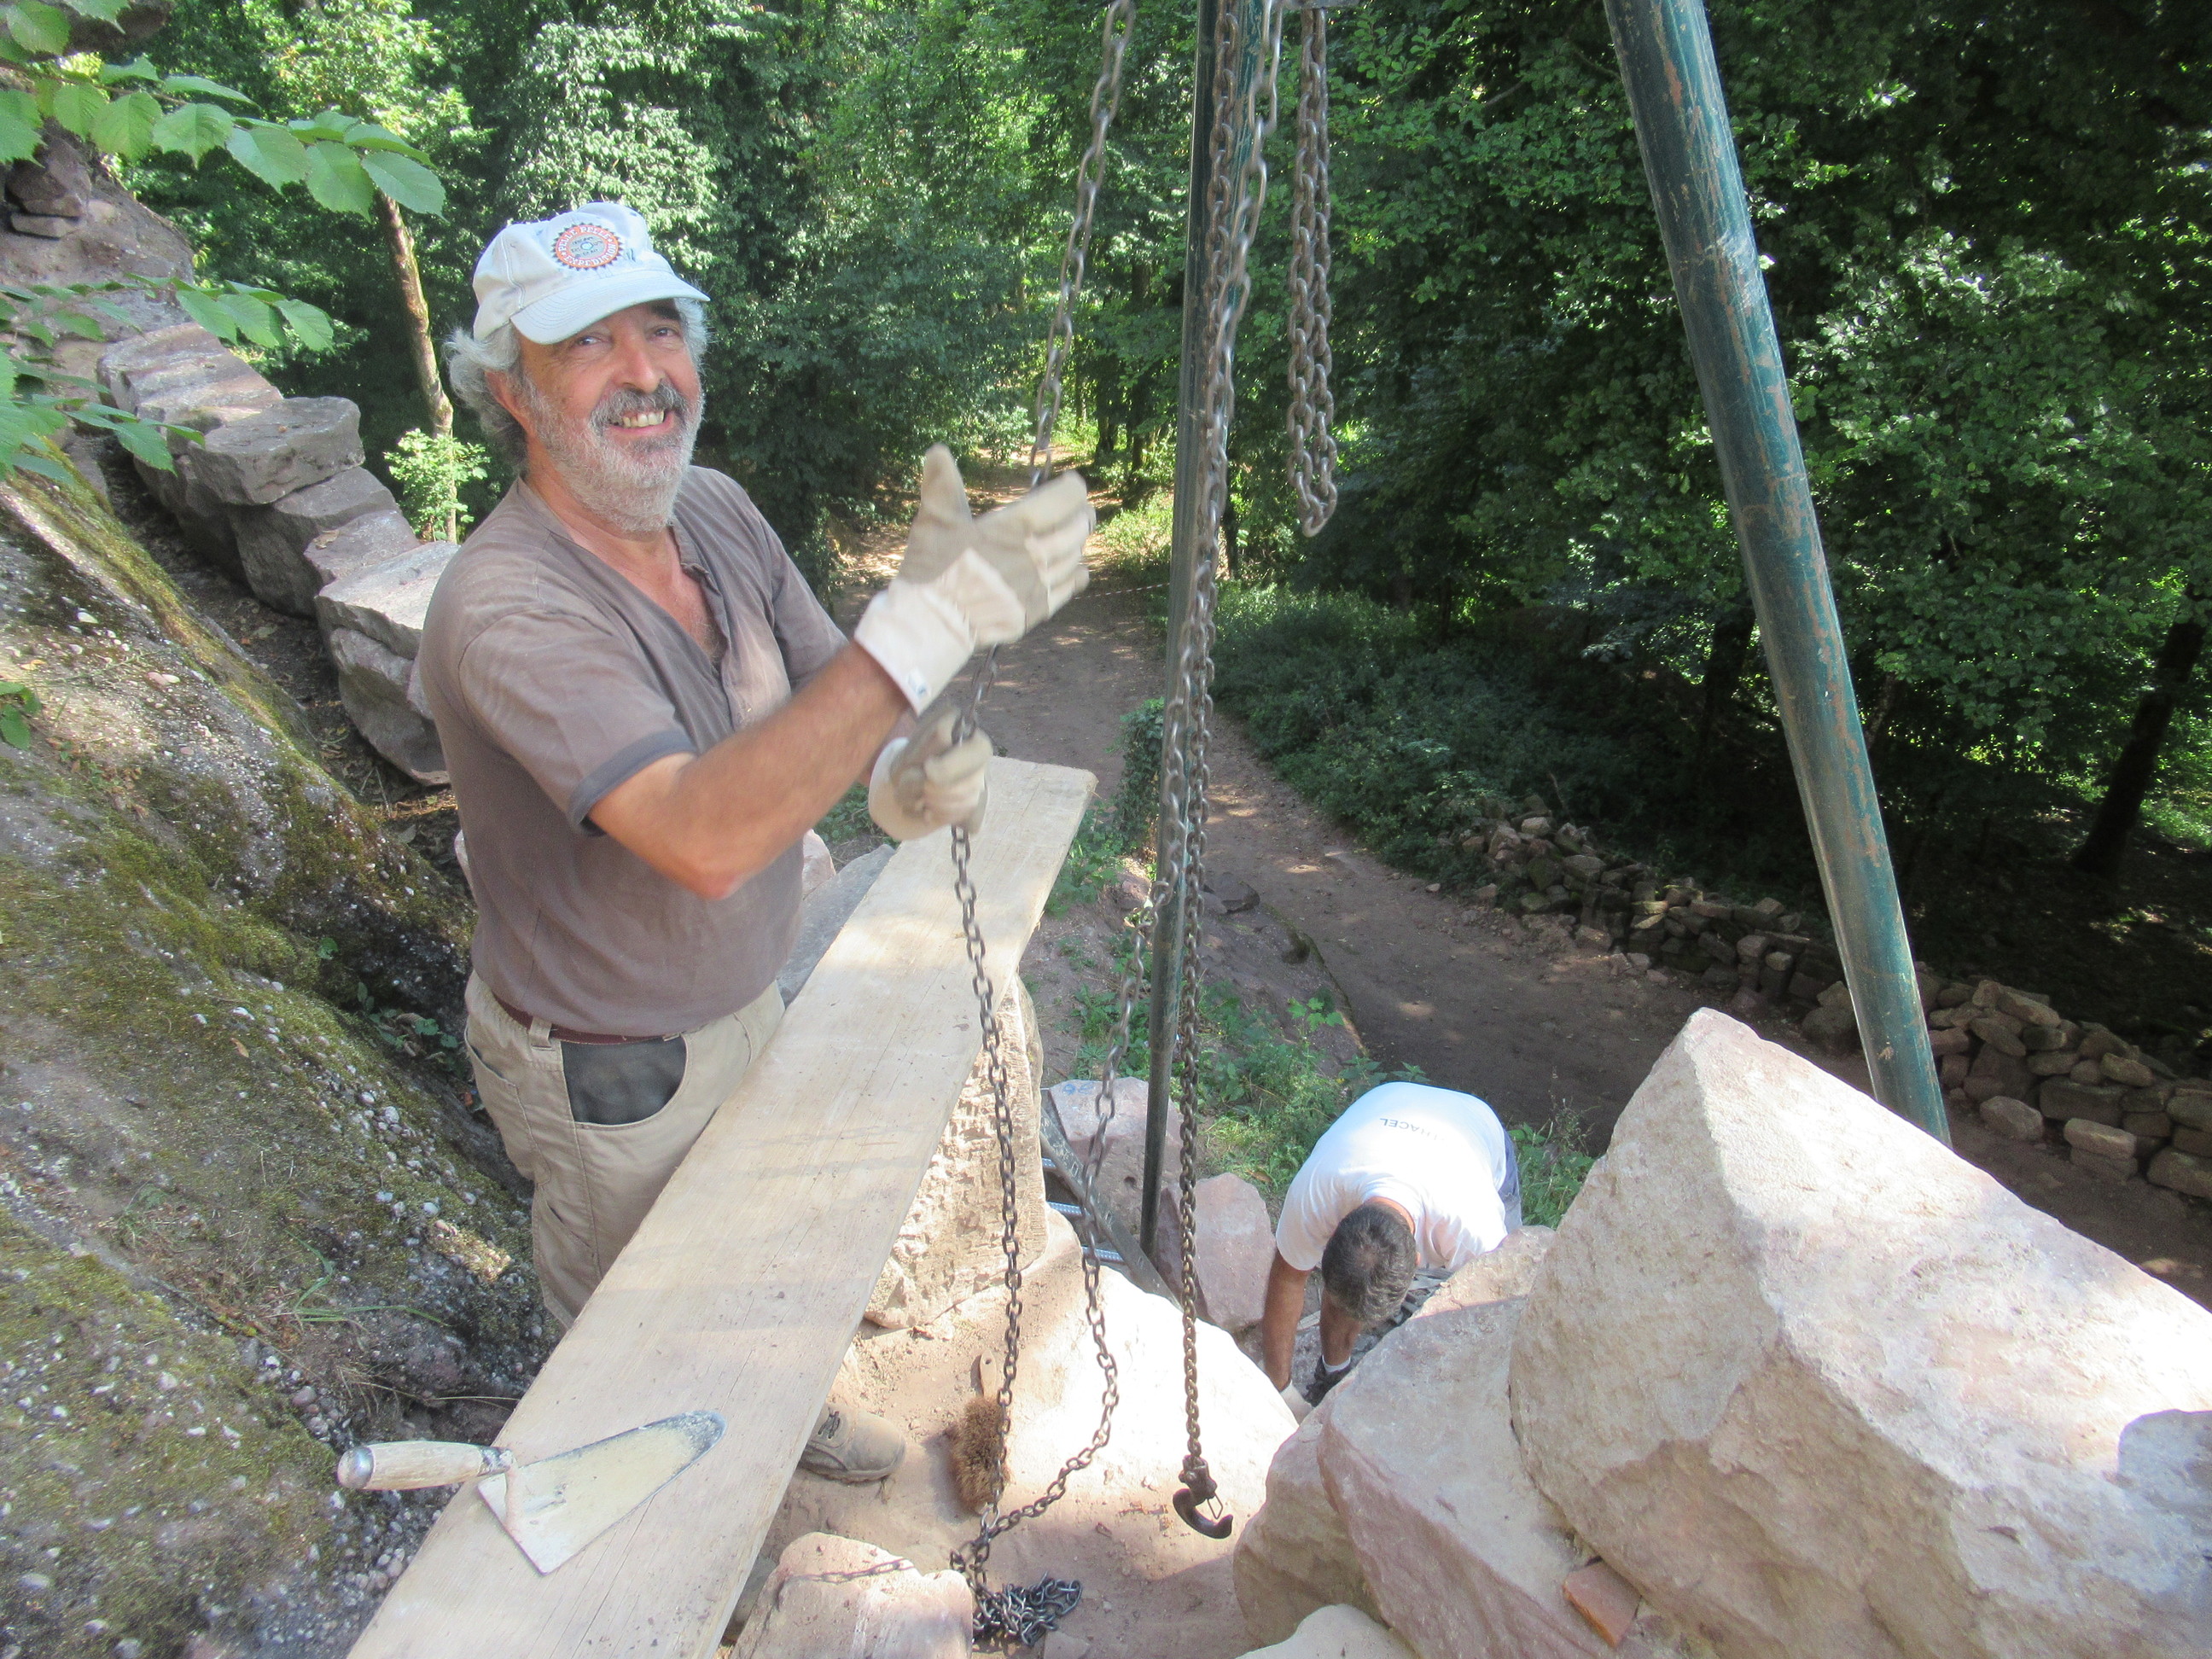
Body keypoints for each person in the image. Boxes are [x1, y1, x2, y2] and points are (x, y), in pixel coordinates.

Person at [416, 203, 1093, 1482]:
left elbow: (832, 684)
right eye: (588, 344)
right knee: (627, 1338)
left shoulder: (715, 510)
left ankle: (776, 1417)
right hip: (615, 1069)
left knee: (751, 1261)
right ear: (510, 388)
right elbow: (703, 836)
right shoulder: (505, 603)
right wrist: (925, 631)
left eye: (661, 330)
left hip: (747, 996)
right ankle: (643, 1525)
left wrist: (899, 767)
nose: (643, 372)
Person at [1259, 1080, 1522, 1413]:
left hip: (1476, 1128)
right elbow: (1287, 1279)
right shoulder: (1318, 1190)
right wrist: (1281, 1393)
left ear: (1417, 1261)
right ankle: (1333, 1375)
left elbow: (1504, 1321)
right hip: (1388, 1103)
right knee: (1353, 1283)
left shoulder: (1476, 1233)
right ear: (1335, 1231)